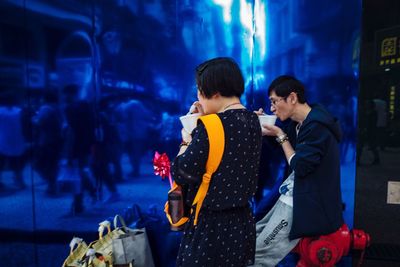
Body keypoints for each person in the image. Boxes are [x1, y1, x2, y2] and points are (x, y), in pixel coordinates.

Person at [171, 57, 262, 267]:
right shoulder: (253, 121)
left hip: (211, 228)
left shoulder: (210, 125)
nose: (198, 98)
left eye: (199, 90)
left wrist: (186, 138)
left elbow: (182, 172)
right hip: (242, 224)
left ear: (214, 92)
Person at [252, 75, 344, 266]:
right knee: (253, 234)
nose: (272, 108)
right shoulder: (297, 124)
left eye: (274, 101)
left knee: (258, 255)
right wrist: (269, 129)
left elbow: (300, 165)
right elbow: (284, 151)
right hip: (292, 196)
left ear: (292, 98)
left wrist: (280, 135)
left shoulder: (318, 127)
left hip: (308, 204)